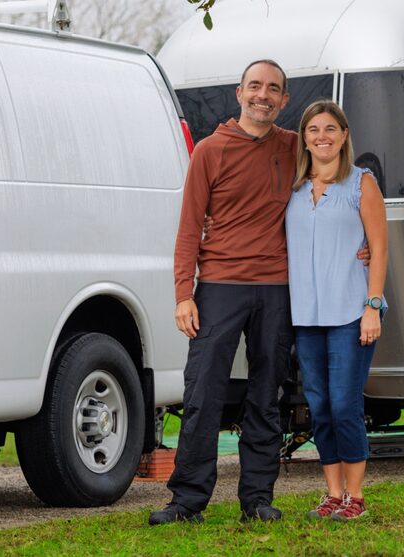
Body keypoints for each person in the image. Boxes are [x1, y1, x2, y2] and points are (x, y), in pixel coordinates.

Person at [149, 59, 297, 525]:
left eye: (273, 89)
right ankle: (187, 501)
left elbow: (341, 184)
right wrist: (183, 294)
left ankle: (257, 499)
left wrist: (362, 247)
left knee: (266, 396)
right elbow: (189, 227)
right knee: (203, 395)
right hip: (218, 288)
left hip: (276, 289)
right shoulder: (210, 151)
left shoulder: (295, 148)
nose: (263, 95)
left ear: (283, 100)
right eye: (255, 86)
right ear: (240, 93)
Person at [285, 99, 388, 520]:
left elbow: (378, 248)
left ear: (344, 135)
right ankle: (331, 494)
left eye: (330, 129)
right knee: (319, 405)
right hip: (306, 316)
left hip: (351, 313)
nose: (322, 137)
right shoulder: (293, 188)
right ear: (304, 138)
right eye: (313, 130)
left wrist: (373, 307)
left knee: (345, 404)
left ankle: (356, 497)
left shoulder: (361, 184)